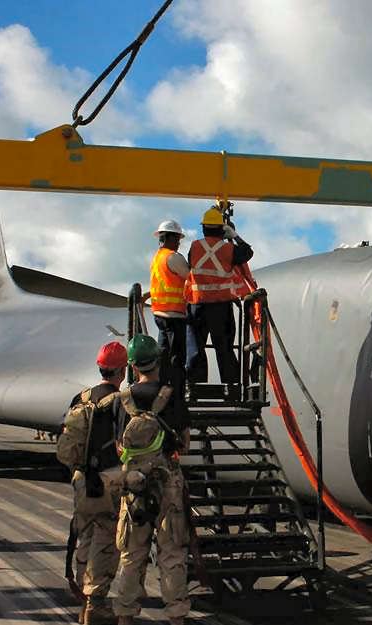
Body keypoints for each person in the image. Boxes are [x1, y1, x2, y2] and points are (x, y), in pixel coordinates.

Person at [111, 334, 191, 625]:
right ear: (158, 361)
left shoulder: (123, 400)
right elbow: (184, 444)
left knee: (132, 554)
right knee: (171, 554)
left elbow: (120, 446)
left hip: (134, 485)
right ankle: (176, 618)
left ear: (132, 366)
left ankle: (125, 617)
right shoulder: (171, 396)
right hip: (167, 483)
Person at [69, 341, 127, 625]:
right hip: (109, 481)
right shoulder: (122, 401)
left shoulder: (81, 397)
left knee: (85, 538)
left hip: (81, 479)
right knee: (106, 544)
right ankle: (96, 604)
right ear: (123, 370)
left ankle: (83, 600)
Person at [184, 206, 253, 386]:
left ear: (203, 228)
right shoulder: (228, 249)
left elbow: (192, 263)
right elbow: (247, 253)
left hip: (196, 305)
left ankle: (196, 385)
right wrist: (235, 235)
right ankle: (230, 385)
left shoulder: (194, 247)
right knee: (224, 348)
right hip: (220, 306)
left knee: (195, 347)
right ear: (222, 229)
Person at [147, 220, 190, 394]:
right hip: (174, 314)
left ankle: (161, 387)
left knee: (163, 355)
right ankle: (176, 391)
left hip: (159, 313)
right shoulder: (173, 257)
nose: (179, 243)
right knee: (177, 357)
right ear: (171, 238)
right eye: (178, 238)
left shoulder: (157, 257)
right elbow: (190, 276)